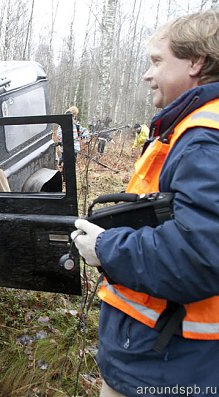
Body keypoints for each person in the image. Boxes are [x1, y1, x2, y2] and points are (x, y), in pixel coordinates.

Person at [72, 10, 219, 397]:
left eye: (157, 61)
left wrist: (105, 247)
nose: (146, 74)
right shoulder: (193, 129)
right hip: (173, 354)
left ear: (196, 62)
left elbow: (199, 253)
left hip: (173, 361)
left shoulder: (205, 139)